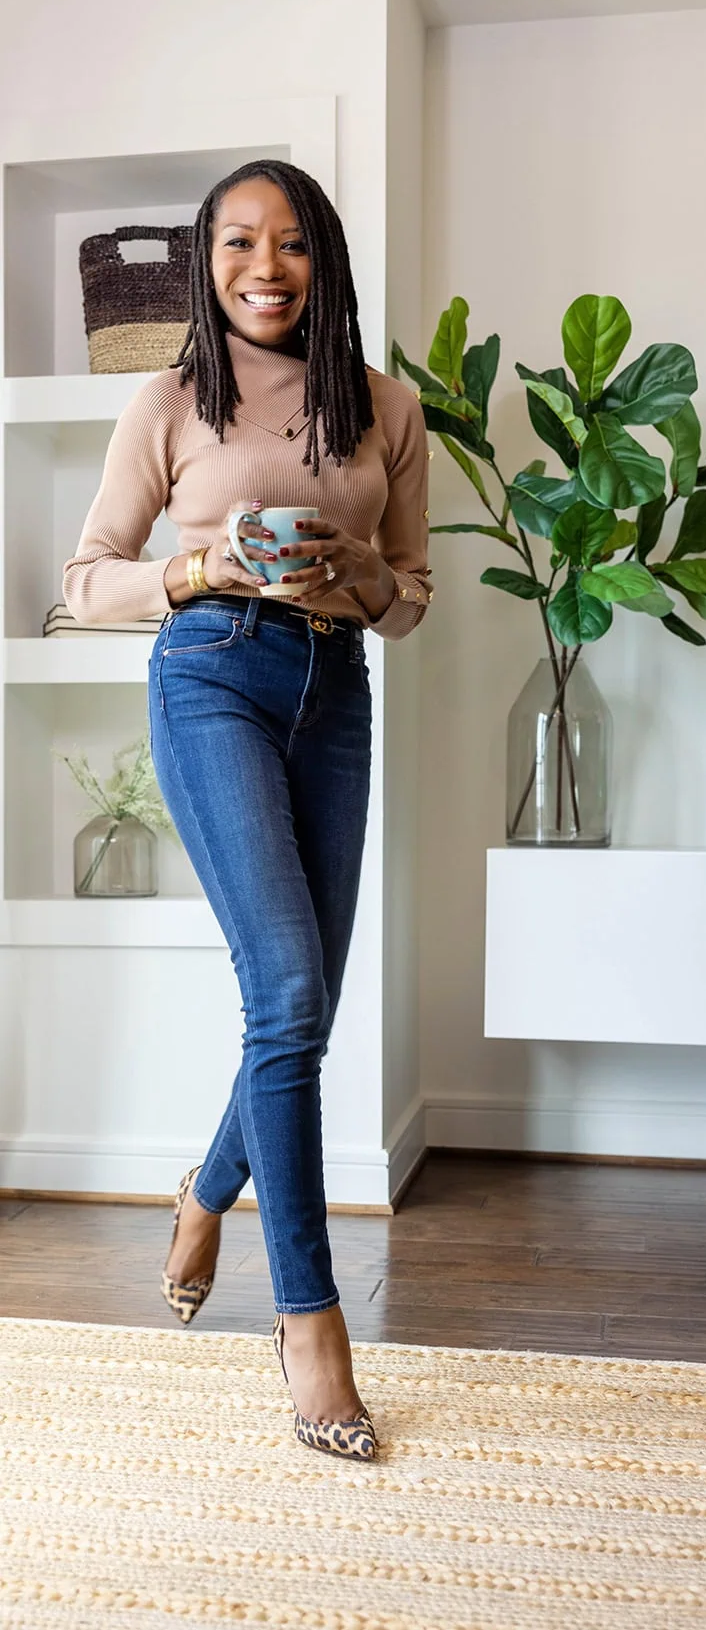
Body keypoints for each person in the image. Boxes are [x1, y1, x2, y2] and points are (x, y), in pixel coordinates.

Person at [63, 158, 432, 1461]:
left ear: (324, 259)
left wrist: (365, 567)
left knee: (302, 1007)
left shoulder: (387, 407)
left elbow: (411, 599)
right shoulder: (170, 400)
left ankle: (205, 1188)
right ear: (205, 261)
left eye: (289, 243)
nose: (263, 268)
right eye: (236, 243)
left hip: (337, 692)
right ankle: (310, 1320)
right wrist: (198, 566)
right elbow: (85, 580)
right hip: (212, 676)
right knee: (284, 990)